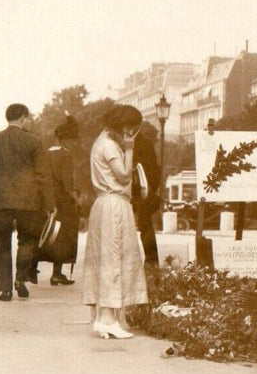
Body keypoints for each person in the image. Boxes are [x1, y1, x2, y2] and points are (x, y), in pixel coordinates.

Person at [0, 103, 52, 301]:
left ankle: (5, 289)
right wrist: (49, 204)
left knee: (1, 244)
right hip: (28, 200)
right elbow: (43, 175)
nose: (29, 122)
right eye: (28, 119)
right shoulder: (34, 143)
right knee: (27, 240)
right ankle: (21, 279)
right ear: (23, 118)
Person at [81, 105, 148, 339]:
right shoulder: (110, 145)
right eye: (130, 127)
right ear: (122, 124)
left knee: (105, 259)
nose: (131, 132)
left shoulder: (101, 141)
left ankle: (103, 318)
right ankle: (109, 319)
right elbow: (124, 175)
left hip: (104, 205)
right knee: (114, 258)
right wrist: (130, 149)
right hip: (114, 206)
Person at [35, 115, 82, 285]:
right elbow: (67, 184)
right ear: (67, 139)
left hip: (46, 199)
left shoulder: (45, 153)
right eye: (73, 139)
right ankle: (57, 273)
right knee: (64, 237)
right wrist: (77, 199)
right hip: (63, 200)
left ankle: (32, 269)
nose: (75, 143)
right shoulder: (66, 155)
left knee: (48, 235)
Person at [131, 121, 162, 267]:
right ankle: (151, 260)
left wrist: (147, 191)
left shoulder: (141, 143)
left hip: (140, 192)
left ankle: (151, 259)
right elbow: (156, 171)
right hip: (138, 192)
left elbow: (153, 171)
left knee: (145, 227)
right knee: (145, 226)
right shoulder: (139, 142)